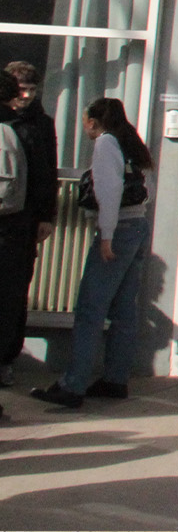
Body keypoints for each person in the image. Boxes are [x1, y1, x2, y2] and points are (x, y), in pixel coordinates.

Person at [32, 98, 151, 410]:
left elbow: (109, 192)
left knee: (90, 309)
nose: (84, 125)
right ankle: (115, 379)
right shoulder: (131, 142)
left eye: (85, 119)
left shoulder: (106, 144)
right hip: (138, 226)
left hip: (119, 230)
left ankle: (73, 386)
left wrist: (106, 235)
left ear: (94, 121)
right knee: (124, 309)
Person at [1, 64, 57, 392]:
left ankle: (7, 358)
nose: (25, 96)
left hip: (22, 222)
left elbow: (46, 174)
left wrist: (47, 216)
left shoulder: (40, 124)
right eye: (20, 89)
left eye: (31, 90)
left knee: (14, 294)